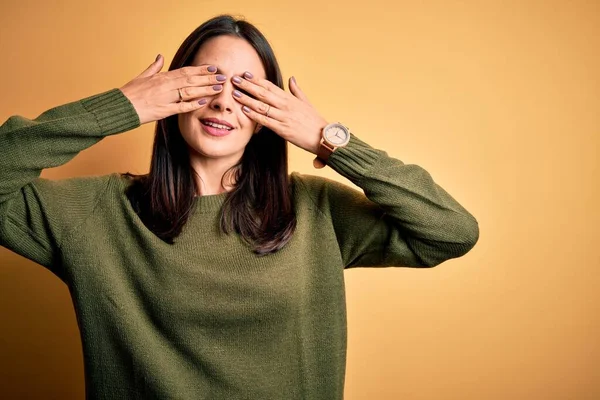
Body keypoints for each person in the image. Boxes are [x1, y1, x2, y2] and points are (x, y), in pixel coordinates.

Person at [0, 14, 479, 400]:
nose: (224, 103)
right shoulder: (97, 213)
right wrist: (120, 106)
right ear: (171, 96)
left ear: (269, 114)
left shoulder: (314, 210)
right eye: (208, 82)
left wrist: (330, 140)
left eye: (247, 89)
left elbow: (451, 230)